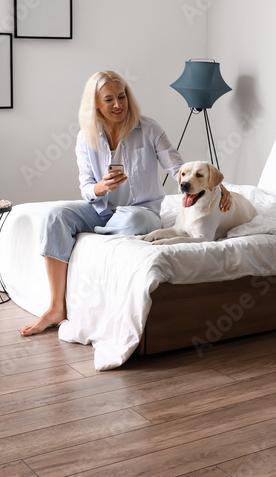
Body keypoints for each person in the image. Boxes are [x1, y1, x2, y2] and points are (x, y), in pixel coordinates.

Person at [20, 70, 230, 336]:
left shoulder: (149, 128)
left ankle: (89, 235)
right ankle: (55, 307)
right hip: (101, 210)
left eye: (122, 97)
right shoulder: (86, 137)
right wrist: (101, 186)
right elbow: (86, 187)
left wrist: (218, 185)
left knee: (135, 220)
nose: (118, 105)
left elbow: (178, 168)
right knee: (55, 215)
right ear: (95, 103)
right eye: (109, 100)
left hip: (141, 211)